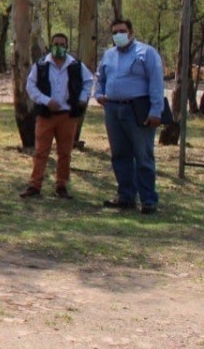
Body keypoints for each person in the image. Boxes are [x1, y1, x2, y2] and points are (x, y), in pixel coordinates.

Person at [95, 18, 165, 214]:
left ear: (131, 33)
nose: (118, 35)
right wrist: (99, 95)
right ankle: (126, 196)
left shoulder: (146, 53)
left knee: (143, 156)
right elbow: (100, 78)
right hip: (113, 109)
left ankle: (148, 199)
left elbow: (156, 83)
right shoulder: (108, 55)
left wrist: (155, 111)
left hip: (138, 110)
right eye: (115, 32)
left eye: (122, 31)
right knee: (119, 155)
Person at [20, 33, 93, 199]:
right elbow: (31, 87)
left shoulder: (75, 65)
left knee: (65, 152)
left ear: (67, 47)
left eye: (62, 44)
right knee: (40, 152)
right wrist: (46, 101)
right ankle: (34, 185)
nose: (59, 47)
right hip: (46, 115)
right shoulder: (41, 66)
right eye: (56, 43)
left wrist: (82, 98)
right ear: (50, 46)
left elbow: (89, 81)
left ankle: (61, 186)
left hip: (68, 115)